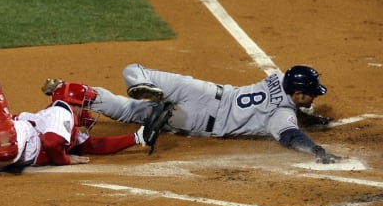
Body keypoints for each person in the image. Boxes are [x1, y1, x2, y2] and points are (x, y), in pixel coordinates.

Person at [0, 47, 146, 175]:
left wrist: (136, 138)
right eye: (84, 104)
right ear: (72, 102)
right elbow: (51, 143)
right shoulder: (62, 111)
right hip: (15, 139)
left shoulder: (69, 129)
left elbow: (96, 146)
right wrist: (64, 159)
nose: (87, 111)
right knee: (4, 145)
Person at [43, 63, 340, 163]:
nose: (314, 96)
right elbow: (290, 136)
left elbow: (292, 105)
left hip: (202, 91)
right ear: (298, 94)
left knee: (132, 70)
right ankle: (146, 102)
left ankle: (73, 89)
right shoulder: (281, 116)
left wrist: (311, 118)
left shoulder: (278, 76)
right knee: (128, 110)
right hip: (197, 120)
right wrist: (317, 151)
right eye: (311, 94)